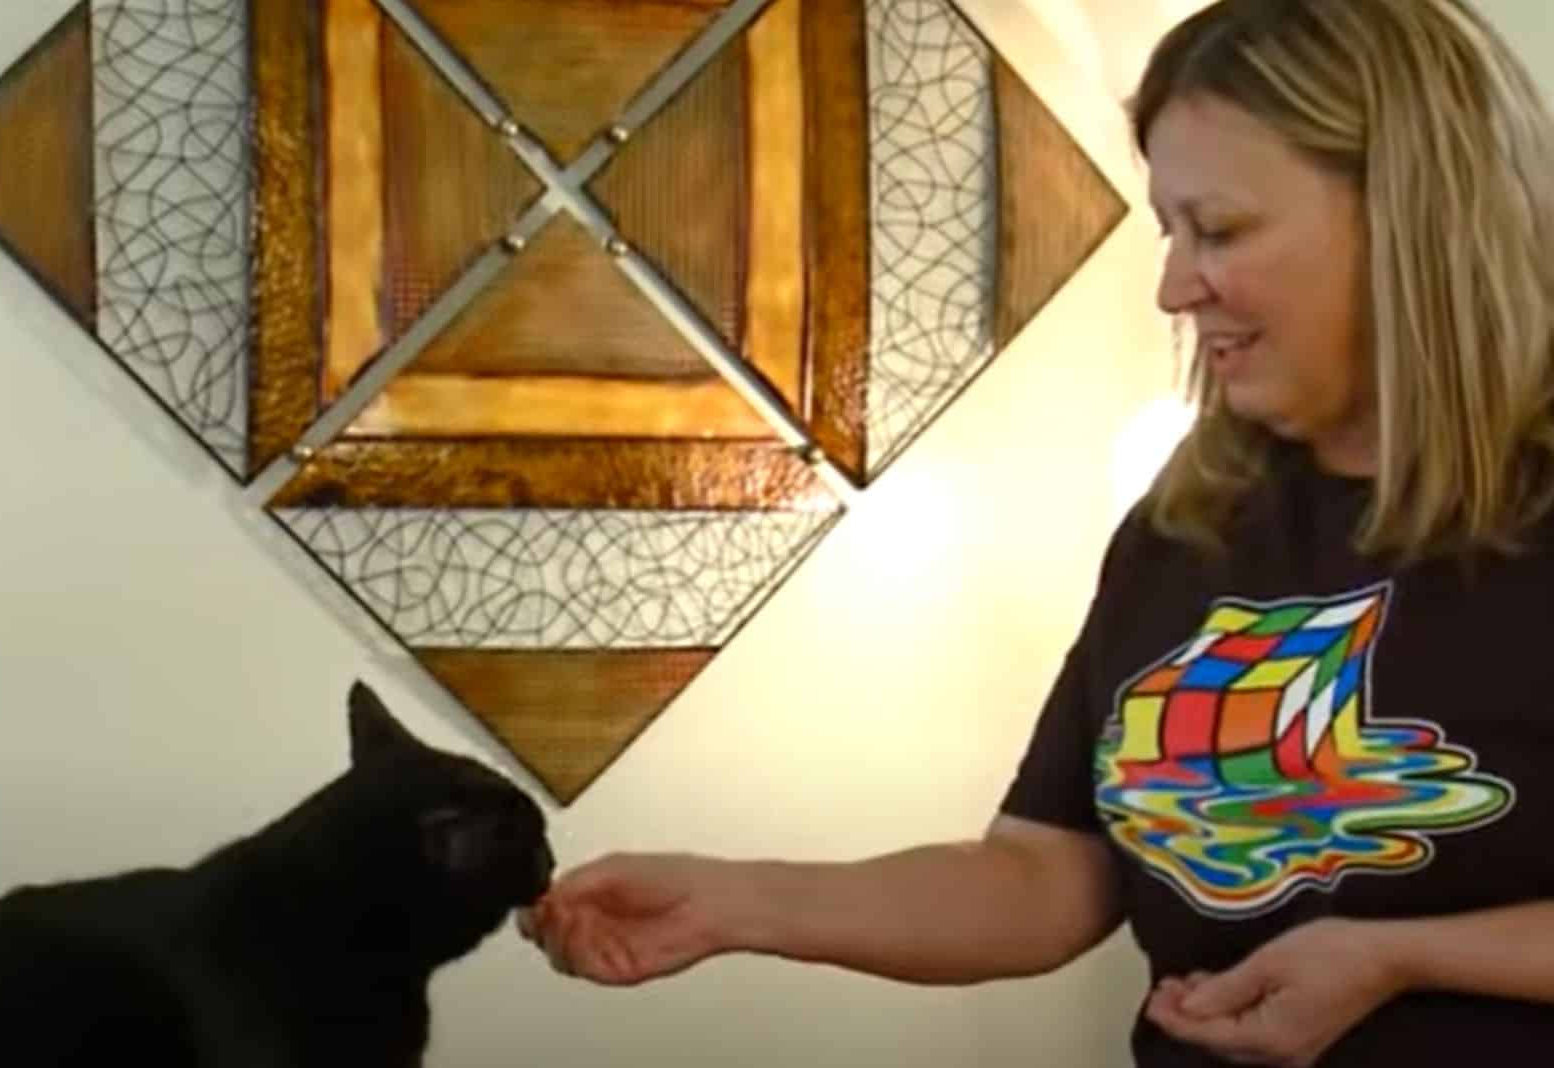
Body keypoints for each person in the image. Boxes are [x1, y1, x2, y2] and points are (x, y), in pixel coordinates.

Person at [518, 1, 1554, 1063]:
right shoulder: (1185, 526)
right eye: (1170, 232)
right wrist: (736, 902)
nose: (1173, 285)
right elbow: (1043, 877)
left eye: (1221, 229)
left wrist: (1405, 957)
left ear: (1408, 211)